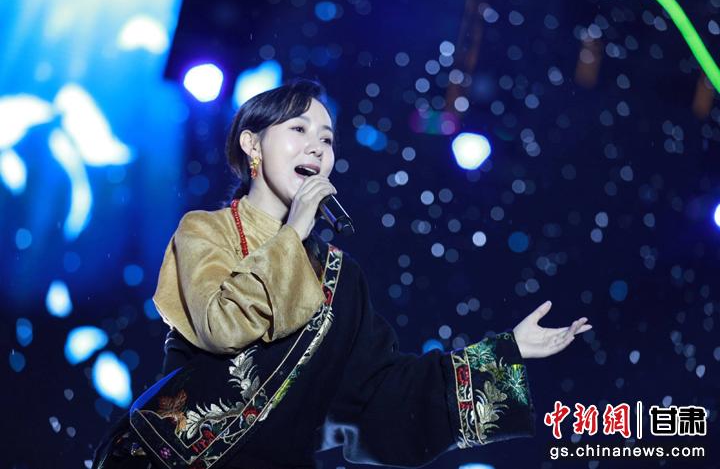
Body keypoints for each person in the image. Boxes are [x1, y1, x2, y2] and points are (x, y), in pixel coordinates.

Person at [92, 78, 592, 469]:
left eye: (327, 139)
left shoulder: (340, 278)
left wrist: (505, 353)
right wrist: (294, 231)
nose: (317, 147)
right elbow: (223, 326)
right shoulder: (204, 231)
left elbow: (382, 391)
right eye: (299, 130)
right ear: (252, 144)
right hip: (170, 460)